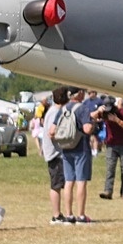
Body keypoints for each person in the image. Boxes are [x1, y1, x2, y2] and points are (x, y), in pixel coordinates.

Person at [59, 87, 96, 224]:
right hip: (81, 147)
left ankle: (68, 215)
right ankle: (81, 215)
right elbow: (86, 129)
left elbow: (52, 130)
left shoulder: (63, 109)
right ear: (79, 94)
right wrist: (93, 123)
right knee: (81, 181)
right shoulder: (83, 109)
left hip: (66, 147)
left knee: (69, 182)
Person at [97, 97, 123, 199]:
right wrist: (98, 111)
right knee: (110, 169)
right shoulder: (104, 113)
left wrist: (117, 120)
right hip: (111, 144)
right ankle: (108, 191)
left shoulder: (122, 112)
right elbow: (93, 118)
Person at [41, 86, 67, 223]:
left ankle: (59, 213)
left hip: (56, 153)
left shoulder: (54, 111)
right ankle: (56, 215)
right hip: (55, 154)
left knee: (59, 184)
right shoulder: (55, 112)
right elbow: (52, 133)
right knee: (56, 185)